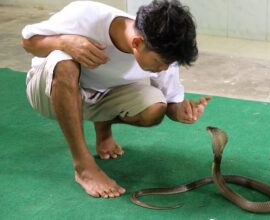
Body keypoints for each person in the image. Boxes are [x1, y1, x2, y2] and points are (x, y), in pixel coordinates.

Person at [21, 0, 211, 199]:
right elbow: (27, 42)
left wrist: (184, 111)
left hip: (95, 99)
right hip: (47, 92)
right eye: (159, 63)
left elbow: (172, 104)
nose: (164, 69)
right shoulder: (85, 14)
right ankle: (83, 166)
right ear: (137, 43)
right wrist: (64, 42)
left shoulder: (162, 51)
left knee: (155, 107)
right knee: (64, 62)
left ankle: (103, 130)